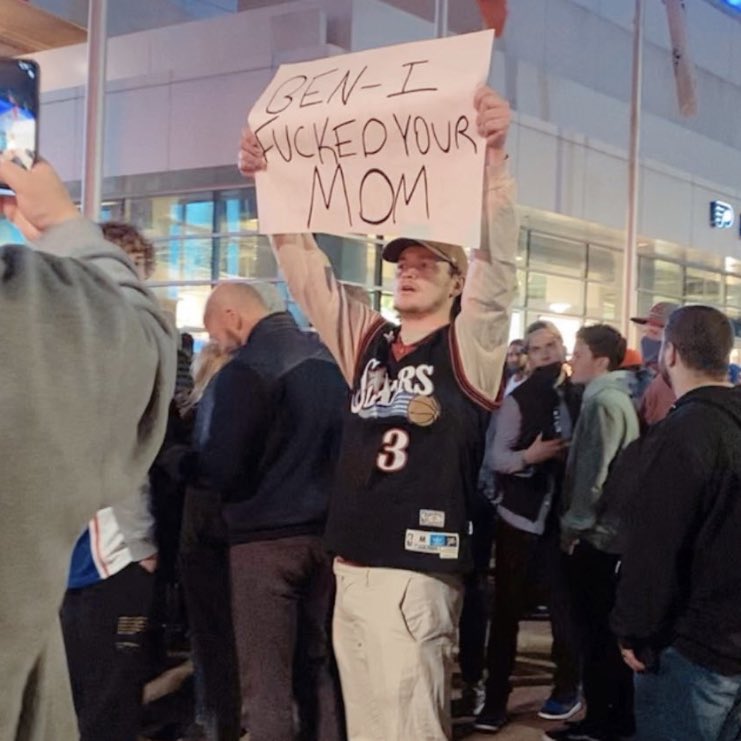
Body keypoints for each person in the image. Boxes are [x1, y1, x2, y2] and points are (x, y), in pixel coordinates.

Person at [238, 84, 517, 740]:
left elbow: (498, 267)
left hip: (415, 573)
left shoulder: (468, 346)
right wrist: (269, 183)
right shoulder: (370, 342)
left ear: (456, 280)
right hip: (353, 564)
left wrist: (494, 161)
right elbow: (308, 275)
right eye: (402, 262)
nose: (408, 271)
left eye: (427, 264)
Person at [0, 159, 175, 741]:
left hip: (86, 560)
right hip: (96, 558)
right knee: (101, 695)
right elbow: (132, 364)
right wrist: (65, 226)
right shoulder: (30, 327)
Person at [196, 283, 347, 741]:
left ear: (232, 316)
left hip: (263, 540)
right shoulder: (331, 360)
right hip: (327, 535)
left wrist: (182, 462)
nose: (218, 343)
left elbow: (222, 466)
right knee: (318, 665)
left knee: (265, 679)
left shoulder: (246, 370)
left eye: (215, 332)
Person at [612, 305, 741, 741]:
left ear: (670, 353)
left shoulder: (683, 432)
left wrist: (633, 630)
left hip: (693, 648)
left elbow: (655, 545)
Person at [60, 221, 162, 741]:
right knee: (103, 695)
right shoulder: (108, 347)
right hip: (101, 553)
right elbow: (124, 454)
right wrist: (141, 542)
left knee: (85, 692)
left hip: (75, 551)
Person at [475, 321, 582, 734]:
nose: (547, 353)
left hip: (559, 521)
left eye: (552, 344)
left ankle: (566, 689)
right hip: (519, 520)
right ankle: (495, 700)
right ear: (529, 356)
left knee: (563, 610)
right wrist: (529, 458)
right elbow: (496, 458)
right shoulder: (518, 400)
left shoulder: (578, 395)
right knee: (506, 613)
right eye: (538, 348)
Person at [545, 324, 640, 741]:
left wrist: (574, 528)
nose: (572, 360)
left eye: (579, 352)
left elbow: (593, 476)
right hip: (604, 534)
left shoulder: (603, 401)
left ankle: (603, 723)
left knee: (595, 635)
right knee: (598, 634)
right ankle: (604, 719)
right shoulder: (610, 398)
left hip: (596, 538)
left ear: (600, 360)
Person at [630, 302, 678, 426]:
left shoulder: (671, 384)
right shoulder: (643, 377)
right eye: (646, 331)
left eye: (655, 332)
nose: (647, 339)